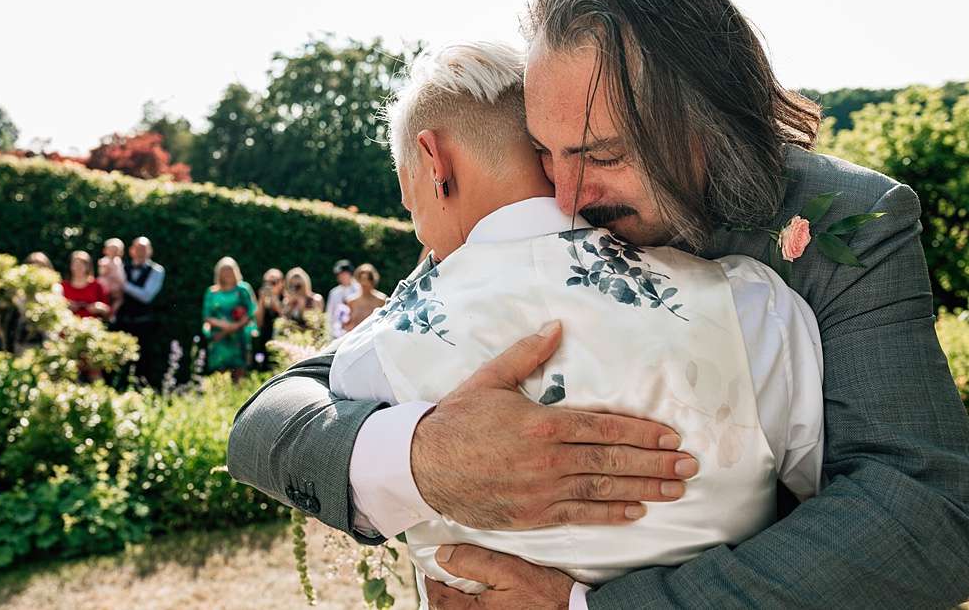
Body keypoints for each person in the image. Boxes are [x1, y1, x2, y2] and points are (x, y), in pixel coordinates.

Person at [227, 0, 969, 609]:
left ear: (709, 121)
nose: (563, 198)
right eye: (545, 152)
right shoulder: (521, 220)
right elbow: (277, 415)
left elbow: (926, 513)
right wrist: (422, 457)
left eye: (602, 154)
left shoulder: (851, 220)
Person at [325, 41, 823, 604]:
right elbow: (834, 519)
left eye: (406, 192)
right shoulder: (753, 307)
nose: (416, 225)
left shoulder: (371, 362)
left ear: (434, 162)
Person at [113, 236, 165, 383]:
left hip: (144, 323)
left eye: (144, 249)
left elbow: (146, 296)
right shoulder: (122, 268)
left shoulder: (157, 270)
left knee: (144, 361)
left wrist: (124, 285)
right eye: (138, 248)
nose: (141, 252)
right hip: (122, 322)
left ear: (150, 251)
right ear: (131, 251)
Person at [202, 257, 258, 382]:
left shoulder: (243, 289)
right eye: (224, 271)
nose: (227, 274)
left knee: (240, 370)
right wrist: (225, 326)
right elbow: (207, 316)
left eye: (230, 270)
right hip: (219, 337)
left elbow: (251, 310)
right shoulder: (211, 292)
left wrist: (235, 326)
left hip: (239, 336)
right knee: (220, 373)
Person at [61, 251, 110, 320]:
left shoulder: (97, 285)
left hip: (92, 325)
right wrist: (65, 305)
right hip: (67, 324)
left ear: (88, 267)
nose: (79, 267)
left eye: (82, 264)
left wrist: (100, 307)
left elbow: (108, 312)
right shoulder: (62, 286)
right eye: (76, 264)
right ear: (70, 266)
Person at [341, 263, 386, 333]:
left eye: (367, 280)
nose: (364, 283)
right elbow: (346, 324)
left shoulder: (382, 300)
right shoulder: (351, 301)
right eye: (362, 280)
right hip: (356, 337)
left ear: (373, 281)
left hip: (375, 337)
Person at [254, 268, 285, 368]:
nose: (270, 285)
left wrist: (274, 298)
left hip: (281, 340)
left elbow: (284, 317)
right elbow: (258, 323)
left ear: (282, 283)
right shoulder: (263, 300)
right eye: (267, 282)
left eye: (273, 282)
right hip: (265, 340)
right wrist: (261, 300)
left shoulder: (286, 298)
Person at [283, 267, 325, 331]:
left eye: (298, 286)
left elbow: (316, 322)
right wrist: (290, 305)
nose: (295, 289)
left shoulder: (315, 299)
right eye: (292, 286)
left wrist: (302, 305)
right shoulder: (288, 302)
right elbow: (284, 322)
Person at [325, 259, 359, 339]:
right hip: (338, 334)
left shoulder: (359, 290)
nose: (341, 277)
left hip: (356, 332)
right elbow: (330, 314)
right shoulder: (334, 292)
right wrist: (329, 333)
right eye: (339, 275)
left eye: (344, 274)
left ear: (350, 274)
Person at [97, 238, 127, 320]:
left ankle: (112, 313)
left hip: (116, 285)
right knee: (105, 299)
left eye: (116, 250)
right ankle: (106, 314)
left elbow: (121, 274)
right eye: (111, 250)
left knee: (119, 300)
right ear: (105, 250)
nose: (113, 252)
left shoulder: (118, 261)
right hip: (106, 284)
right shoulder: (104, 261)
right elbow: (102, 273)